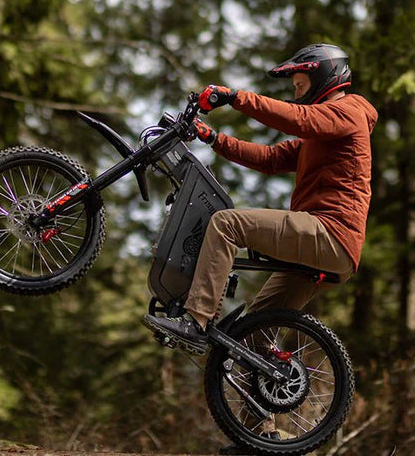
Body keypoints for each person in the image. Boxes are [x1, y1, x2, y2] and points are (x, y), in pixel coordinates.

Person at [143, 43, 378, 354]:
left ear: (322, 76)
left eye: (300, 85)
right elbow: (269, 158)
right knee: (249, 337)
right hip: (325, 246)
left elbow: (299, 119)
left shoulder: (349, 112)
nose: (296, 93)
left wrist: (234, 97)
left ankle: (196, 319)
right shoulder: (322, 136)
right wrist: (212, 138)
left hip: (330, 234)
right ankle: (270, 385)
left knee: (226, 224)